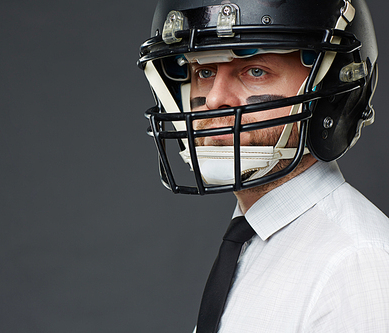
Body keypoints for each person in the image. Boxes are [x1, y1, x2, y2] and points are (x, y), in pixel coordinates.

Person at [138, 0, 389, 331]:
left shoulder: (356, 264)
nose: (214, 99)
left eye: (255, 71)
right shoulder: (251, 237)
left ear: (330, 92)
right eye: (204, 72)